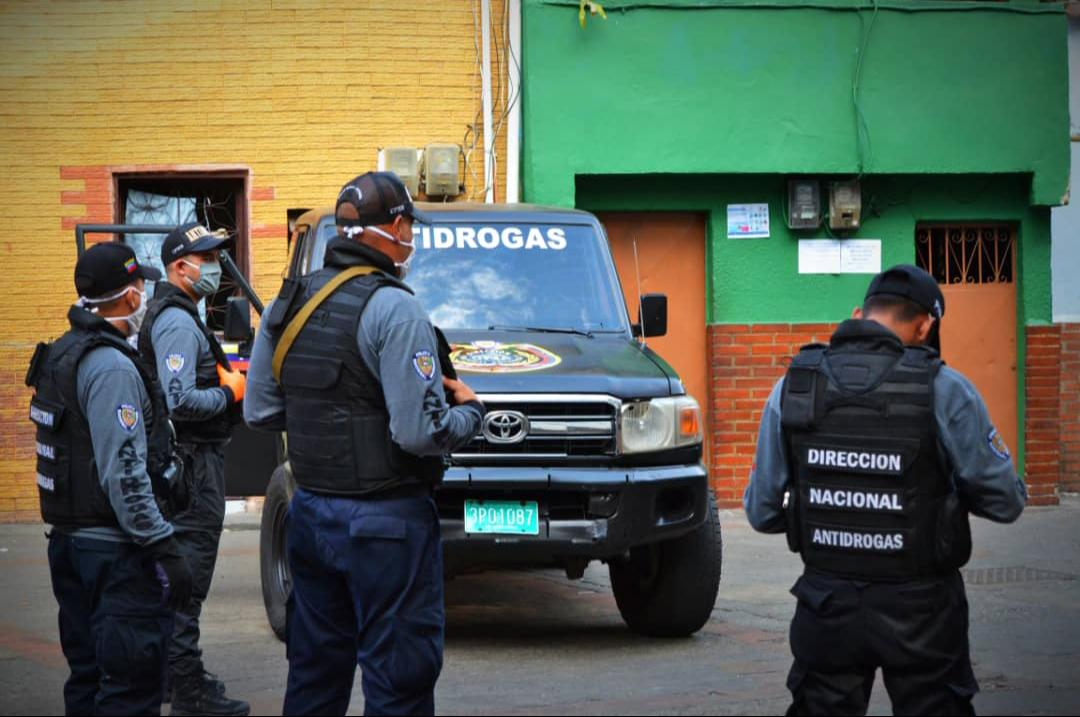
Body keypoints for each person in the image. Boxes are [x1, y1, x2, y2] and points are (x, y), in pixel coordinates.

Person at [244, 172, 485, 716]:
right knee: (399, 680)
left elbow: (258, 411)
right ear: (398, 226)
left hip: (310, 516)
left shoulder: (289, 301)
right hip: (387, 525)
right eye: (410, 230)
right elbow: (419, 433)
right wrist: (471, 413)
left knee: (314, 675)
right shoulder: (396, 308)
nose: (411, 242)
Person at [744, 264, 1027, 716]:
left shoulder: (795, 384)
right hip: (922, 612)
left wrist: (823, 515)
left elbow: (760, 512)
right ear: (925, 325)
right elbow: (1005, 502)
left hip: (826, 604)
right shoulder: (946, 388)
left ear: (859, 313)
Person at [26, 242, 193, 715]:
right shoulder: (111, 366)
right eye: (140, 283)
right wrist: (163, 546)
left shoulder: (64, 351)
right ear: (129, 296)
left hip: (72, 543)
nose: (145, 291)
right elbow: (124, 473)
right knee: (130, 687)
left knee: (89, 678)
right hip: (114, 555)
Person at [139, 222, 250, 716]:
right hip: (191, 470)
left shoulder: (182, 312)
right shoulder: (178, 321)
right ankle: (187, 690)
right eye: (205, 258)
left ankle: (169, 676)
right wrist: (231, 393)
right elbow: (180, 401)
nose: (213, 266)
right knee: (188, 580)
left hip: (187, 464)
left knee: (176, 577)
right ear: (180, 267)